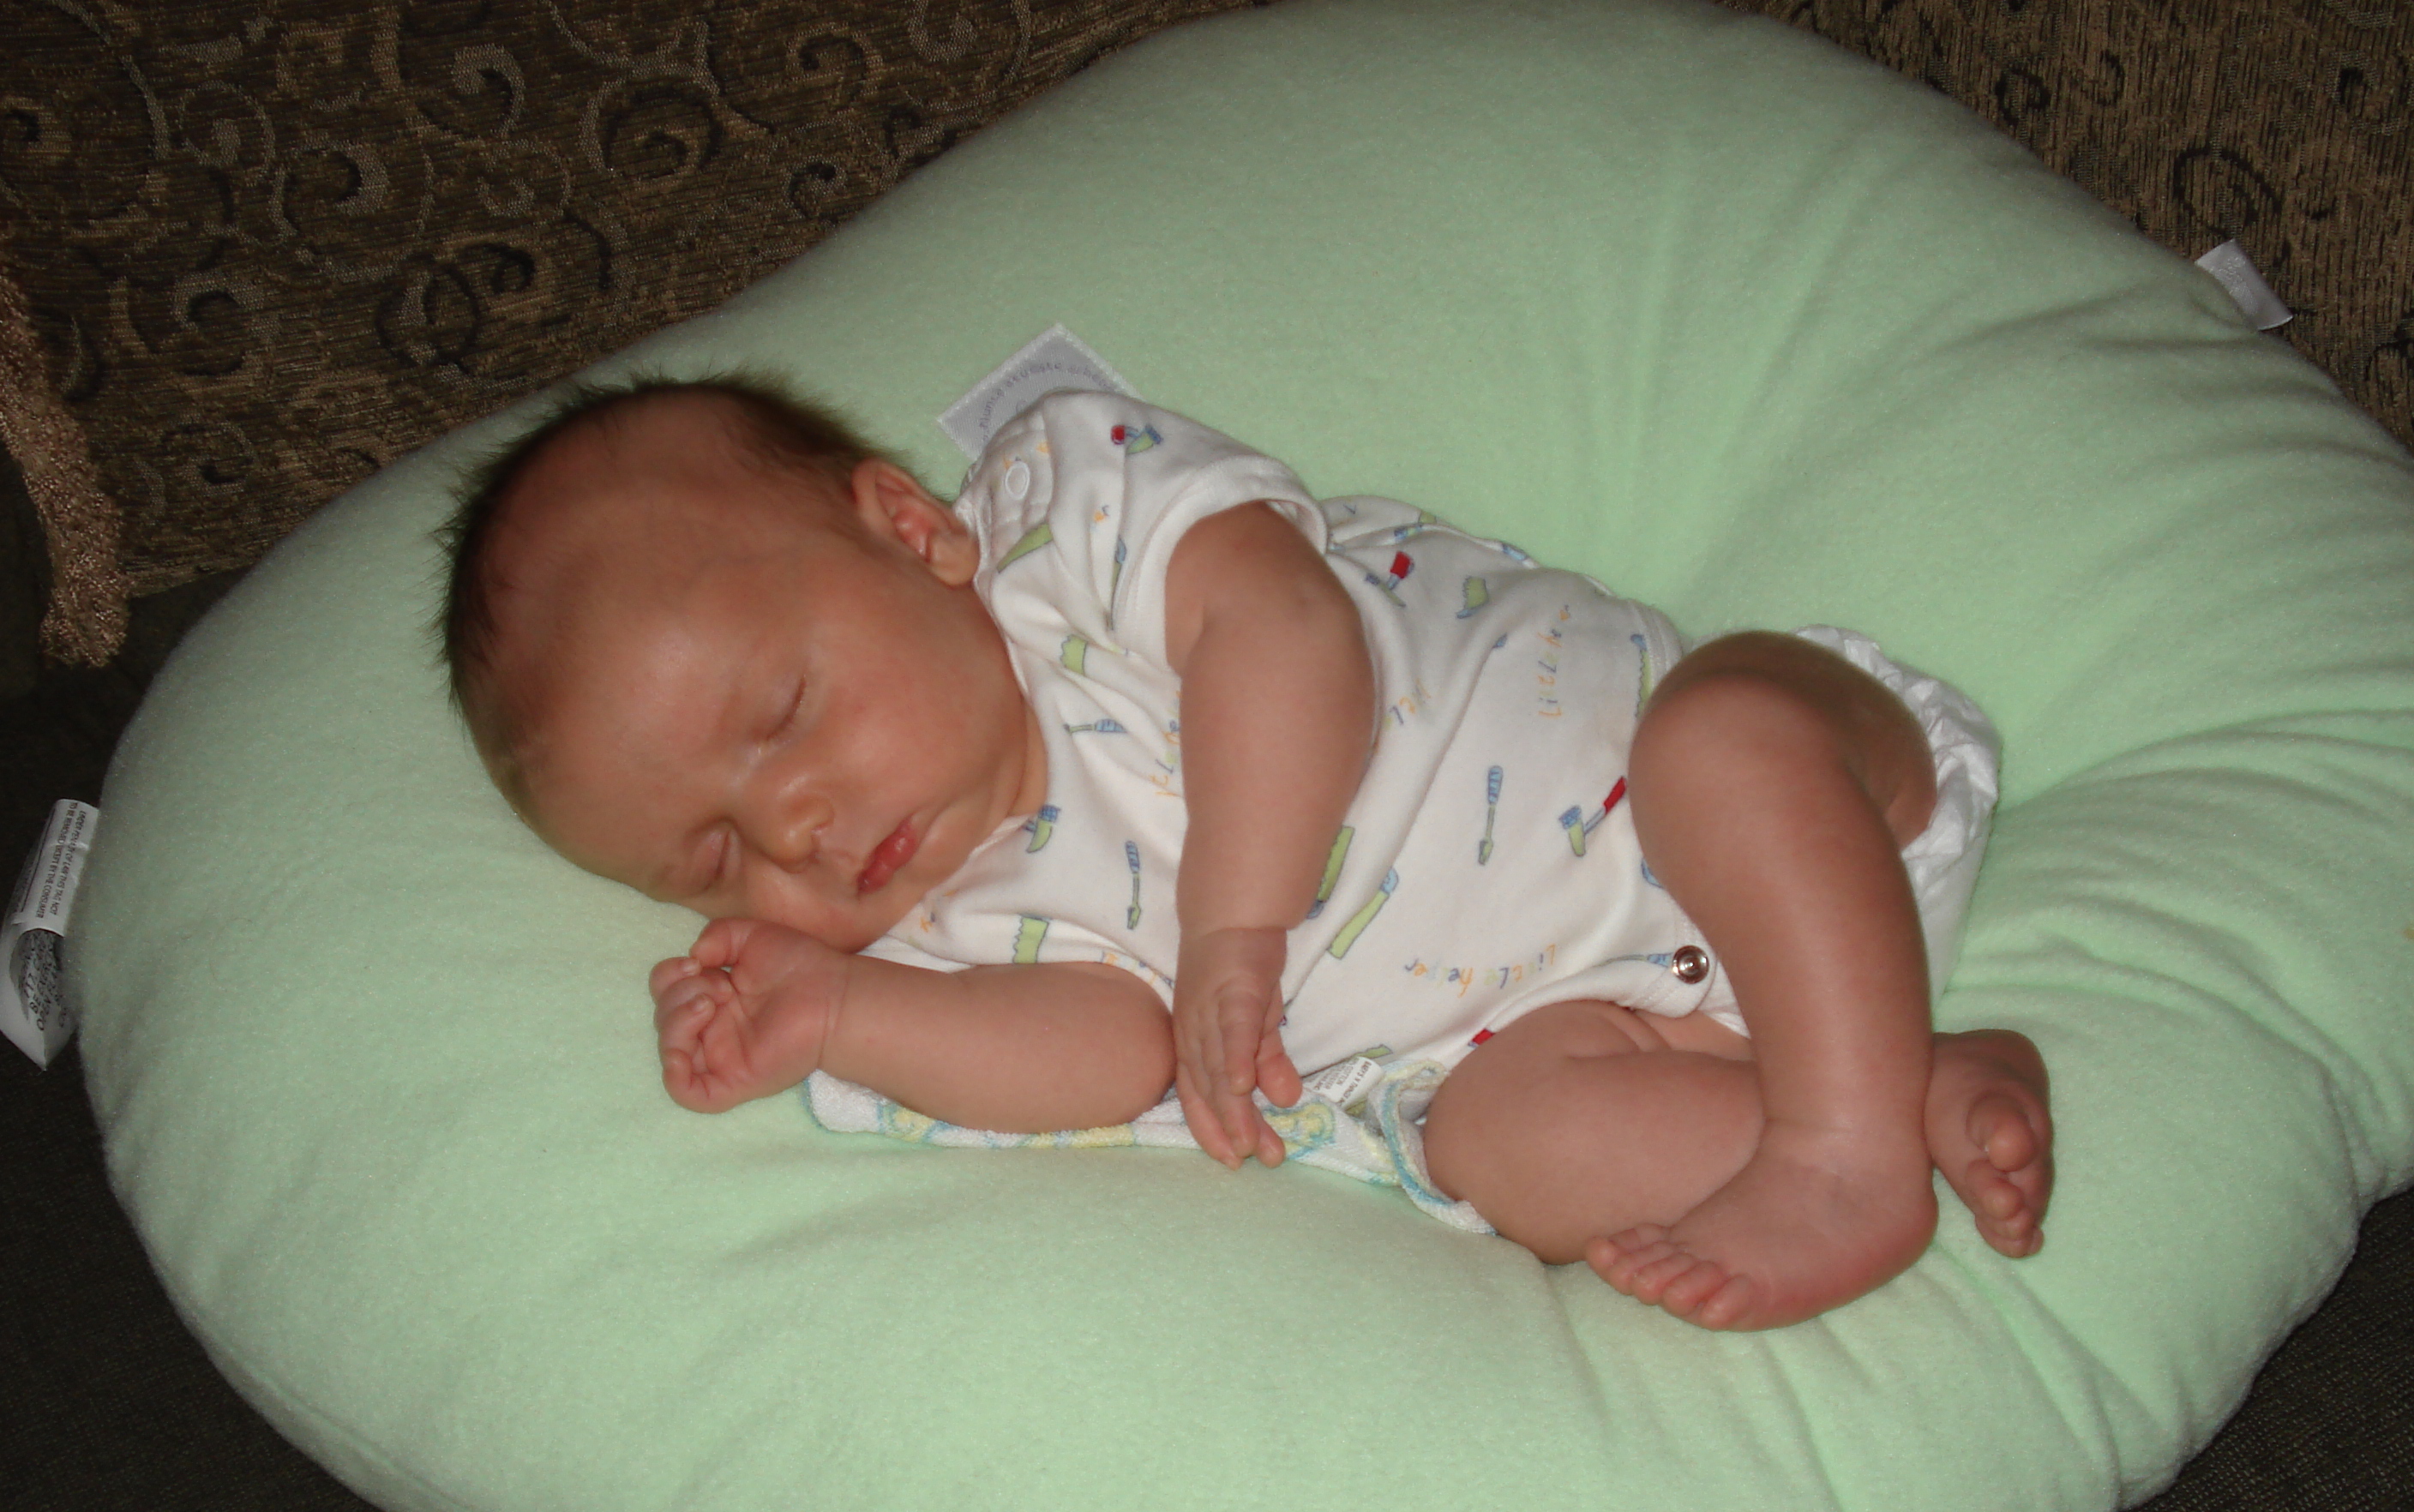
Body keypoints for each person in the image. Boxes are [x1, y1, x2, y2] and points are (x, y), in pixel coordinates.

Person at [439, 375, 2052, 1330]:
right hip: (1602, 1027)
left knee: (1725, 750)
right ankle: (1890, 1088)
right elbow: (1110, 1054)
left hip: (1771, 794)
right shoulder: (946, 931)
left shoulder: (1063, 528)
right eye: (714, 859)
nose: (794, 826)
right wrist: (841, 1011)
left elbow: (1284, 629)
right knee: (1504, 1147)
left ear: (908, 531)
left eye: (783, 713)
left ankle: (1840, 1155)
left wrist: (1235, 924)